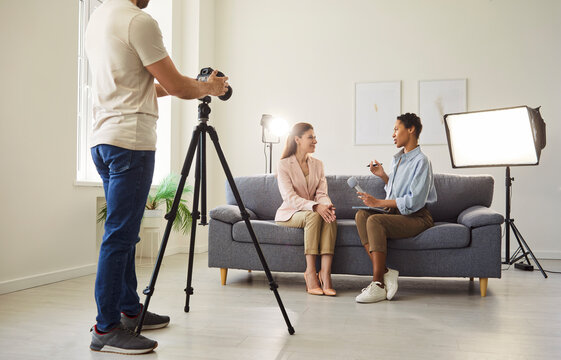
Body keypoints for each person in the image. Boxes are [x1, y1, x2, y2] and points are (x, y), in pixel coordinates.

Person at [85, 0, 229, 354]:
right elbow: (179, 88)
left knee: (125, 233)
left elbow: (151, 85)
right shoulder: (139, 21)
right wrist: (209, 87)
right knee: (120, 237)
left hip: (103, 141)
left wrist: (195, 83)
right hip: (131, 143)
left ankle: (130, 311)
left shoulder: (98, 19)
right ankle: (106, 329)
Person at [354, 113, 437, 304]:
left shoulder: (422, 161)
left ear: (411, 129)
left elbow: (414, 200)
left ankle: (377, 284)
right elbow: (396, 192)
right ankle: (385, 272)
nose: (393, 134)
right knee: (361, 215)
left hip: (417, 217)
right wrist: (384, 176)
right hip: (397, 214)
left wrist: (378, 203)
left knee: (375, 220)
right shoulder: (397, 159)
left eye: (396, 129)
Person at [275, 123, 338, 296]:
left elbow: (322, 193)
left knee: (329, 215)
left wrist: (325, 205)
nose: (315, 141)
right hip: (289, 213)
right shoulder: (283, 165)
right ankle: (310, 273)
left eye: (314, 137)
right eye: (311, 137)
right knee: (314, 216)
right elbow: (289, 197)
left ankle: (325, 274)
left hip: (311, 211)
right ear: (297, 139)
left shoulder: (318, 164)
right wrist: (315, 206)